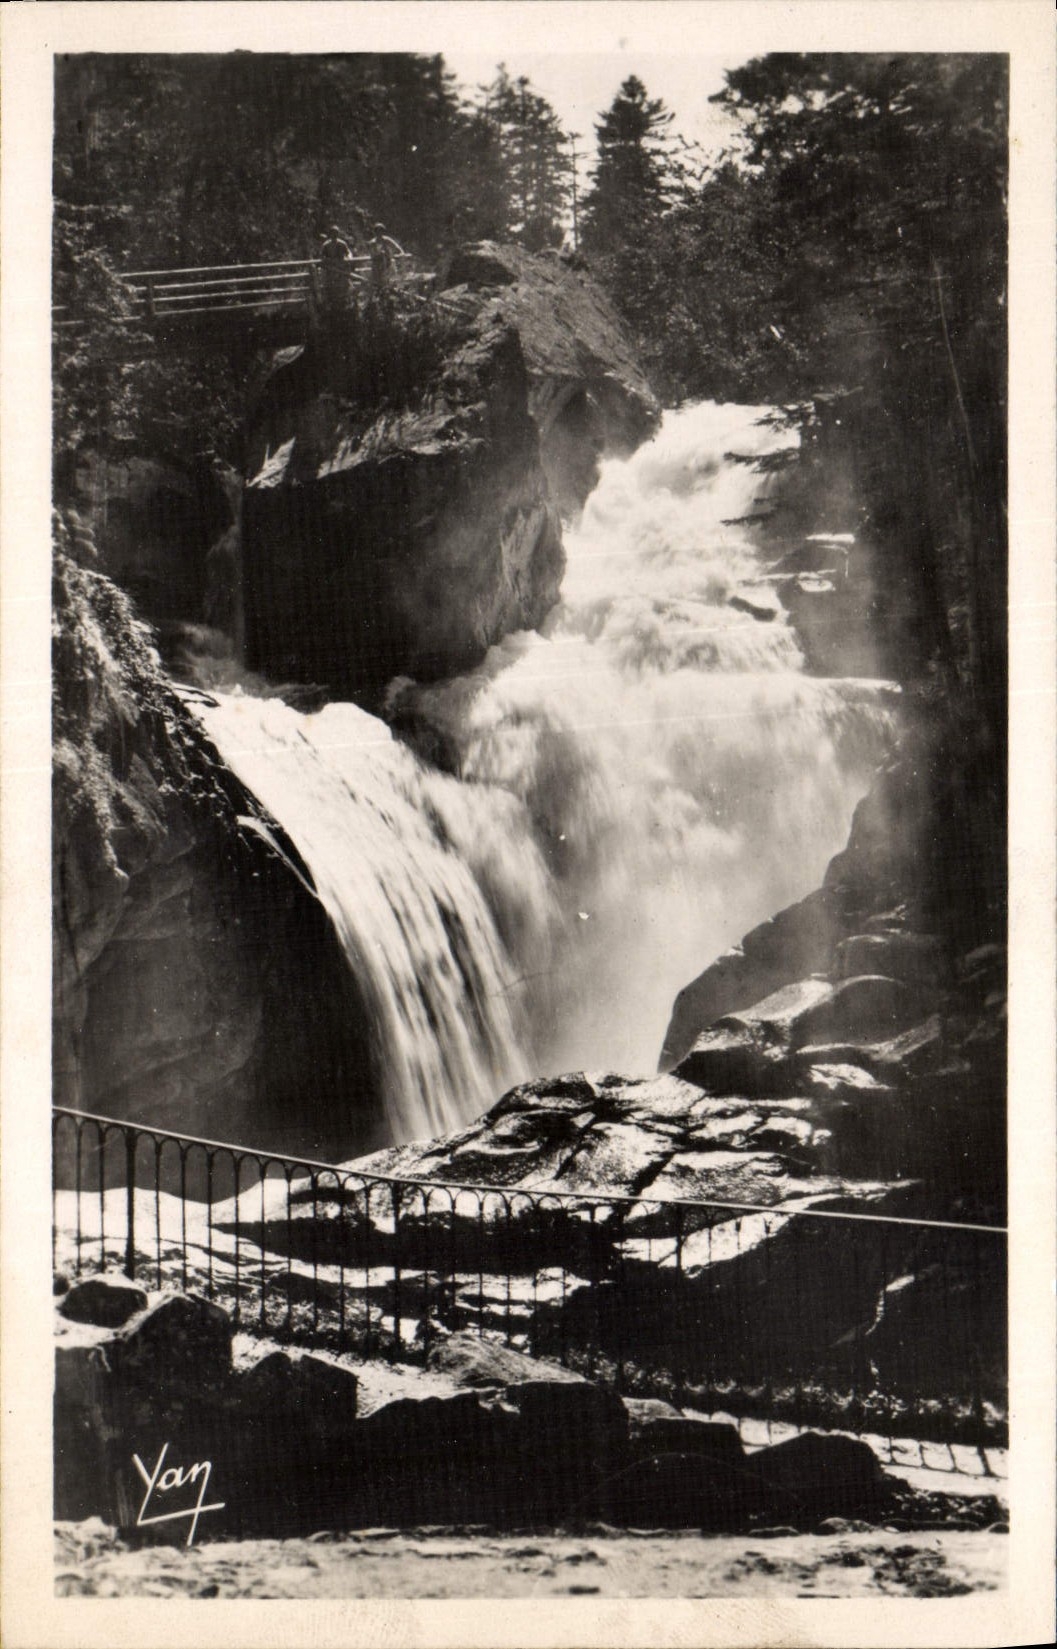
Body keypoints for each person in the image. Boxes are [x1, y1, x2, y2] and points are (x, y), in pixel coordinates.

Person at [366, 223, 404, 304]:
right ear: (375, 233)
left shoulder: (387, 240)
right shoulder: (372, 243)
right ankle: (377, 301)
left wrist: (400, 254)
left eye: (381, 232)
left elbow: (398, 249)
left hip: (388, 265)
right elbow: (372, 254)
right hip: (377, 266)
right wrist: (378, 255)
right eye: (377, 232)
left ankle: (391, 299)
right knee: (377, 284)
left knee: (390, 282)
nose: (379, 234)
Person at [319, 224, 354, 309]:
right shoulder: (326, 245)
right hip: (331, 270)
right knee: (330, 288)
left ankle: (345, 303)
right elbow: (321, 256)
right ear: (330, 234)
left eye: (336, 233)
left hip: (341, 269)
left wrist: (348, 258)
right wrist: (327, 260)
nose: (334, 235)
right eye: (332, 233)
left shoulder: (342, 244)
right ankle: (331, 305)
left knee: (344, 286)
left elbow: (348, 253)